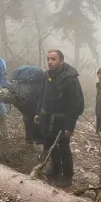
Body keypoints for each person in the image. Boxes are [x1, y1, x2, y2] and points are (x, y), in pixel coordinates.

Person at [34, 49, 84, 188]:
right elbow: (42, 95)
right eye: (48, 59)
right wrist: (38, 112)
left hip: (62, 121)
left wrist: (69, 126)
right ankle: (56, 169)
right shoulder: (47, 75)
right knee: (50, 144)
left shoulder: (70, 79)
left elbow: (75, 105)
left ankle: (67, 175)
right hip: (47, 118)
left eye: (53, 59)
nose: (50, 62)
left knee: (63, 147)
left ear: (61, 61)